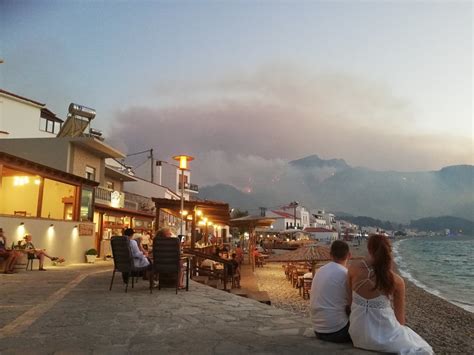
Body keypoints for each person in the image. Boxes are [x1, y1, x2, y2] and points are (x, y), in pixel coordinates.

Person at [348, 235, 433, 354]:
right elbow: (400, 320)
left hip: (357, 335)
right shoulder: (396, 280)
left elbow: (348, 301)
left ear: (369, 249)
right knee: (423, 348)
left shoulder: (353, 268)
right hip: (381, 338)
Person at [310, 240, 352, 343]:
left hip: (318, 329)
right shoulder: (345, 274)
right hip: (337, 331)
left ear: (330, 255)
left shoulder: (320, 271)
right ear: (349, 255)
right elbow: (352, 305)